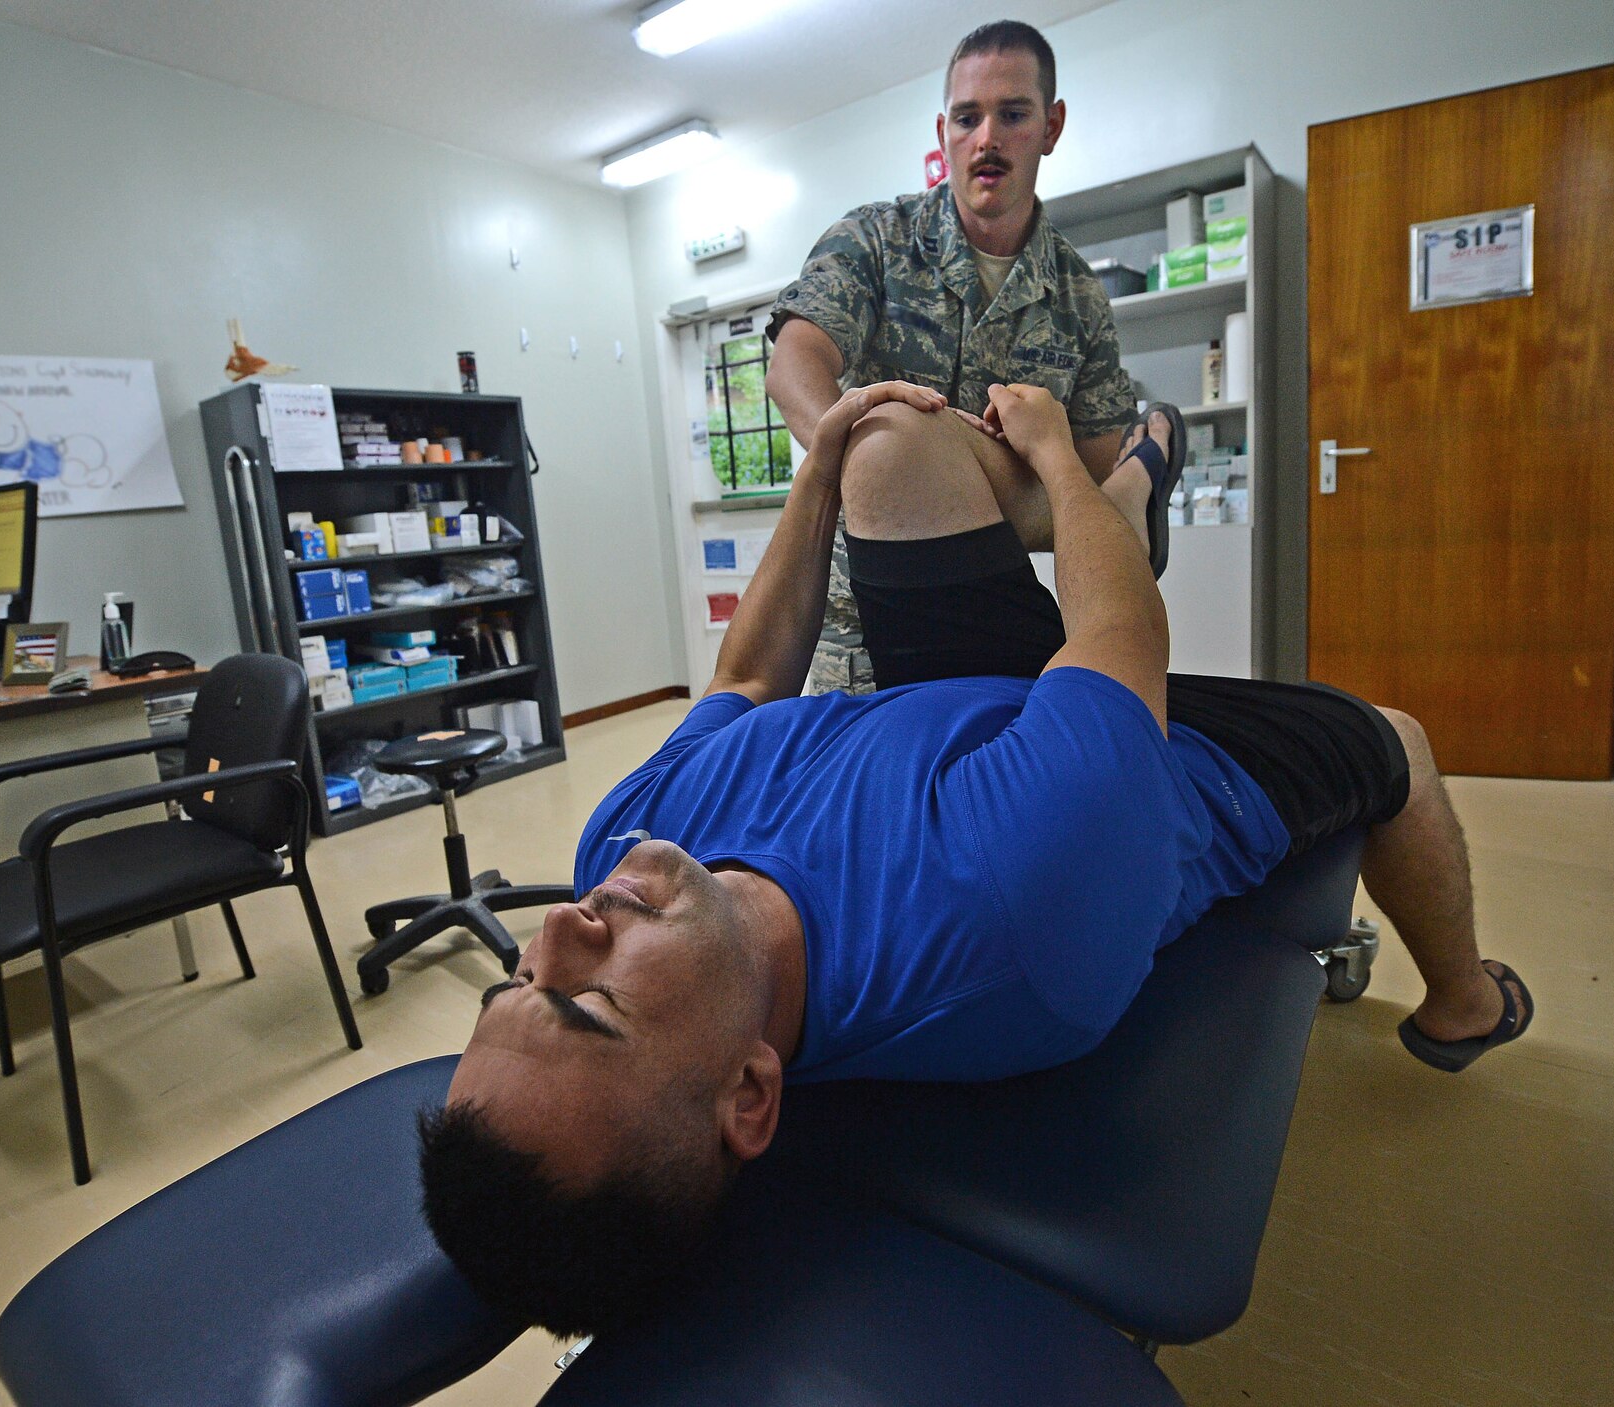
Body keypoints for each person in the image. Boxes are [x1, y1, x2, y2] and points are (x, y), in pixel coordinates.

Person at [418, 382, 1533, 1339]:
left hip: (962, 721)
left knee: (884, 449)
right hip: (1146, 735)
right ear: (752, 1091)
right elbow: (1120, 640)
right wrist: (1052, 449)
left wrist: (814, 475)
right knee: (1399, 741)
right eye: (588, 1004)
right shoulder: (1005, 909)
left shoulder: (627, 857)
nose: (560, 926)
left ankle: (1118, 498)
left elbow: (747, 684)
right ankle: (1462, 1005)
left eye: (516, 983)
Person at [766, 20, 1139, 694]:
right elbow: (796, 358)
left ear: (1051, 127)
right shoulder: (876, 241)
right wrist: (865, 457)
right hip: (860, 642)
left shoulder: (1081, 296)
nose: (987, 138)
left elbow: (1092, 472)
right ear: (944, 133)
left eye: (1013, 114)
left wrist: (1008, 460)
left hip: (997, 624)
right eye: (967, 118)